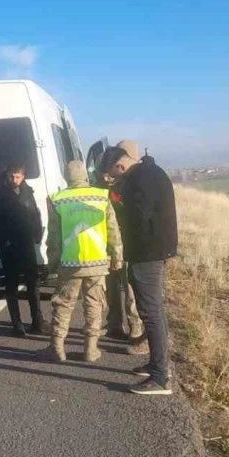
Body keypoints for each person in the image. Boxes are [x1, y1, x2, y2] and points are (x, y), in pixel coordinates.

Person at [107, 140, 178, 395]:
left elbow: (138, 215)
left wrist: (116, 202)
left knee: (151, 312)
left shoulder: (141, 178)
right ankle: (158, 365)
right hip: (152, 250)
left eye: (113, 175)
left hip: (147, 252)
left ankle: (159, 377)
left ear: (119, 166)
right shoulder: (149, 172)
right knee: (155, 310)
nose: (113, 179)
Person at [39, 160, 123, 363]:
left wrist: (52, 263)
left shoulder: (58, 199)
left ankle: (57, 348)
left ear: (66, 176)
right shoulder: (102, 196)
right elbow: (113, 231)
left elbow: (54, 237)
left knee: (63, 305)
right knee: (94, 304)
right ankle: (90, 350)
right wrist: (117, 258)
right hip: (98, 262)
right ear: (85, 175)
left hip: (70, 264)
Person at [0, 163, 47, 336]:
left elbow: (35, 214)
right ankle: (16, 324)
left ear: (23, 177)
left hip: (27, 243)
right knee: (12, 286)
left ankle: (38, 321)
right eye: (11, 176)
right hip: (8, 246)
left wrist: (37, 235)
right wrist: (2, 238)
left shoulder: (27, 191)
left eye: (18, 176)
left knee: (33, 283)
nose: (14, 180)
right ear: (6, 175)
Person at [94, 146, 146, 349]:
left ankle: (135, 327)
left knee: (129, 285)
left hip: (125, 241)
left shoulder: (127, 184)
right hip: (106, 242)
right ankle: (114, 323)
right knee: (111, 284)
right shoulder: (102, 186)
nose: (108, 175)